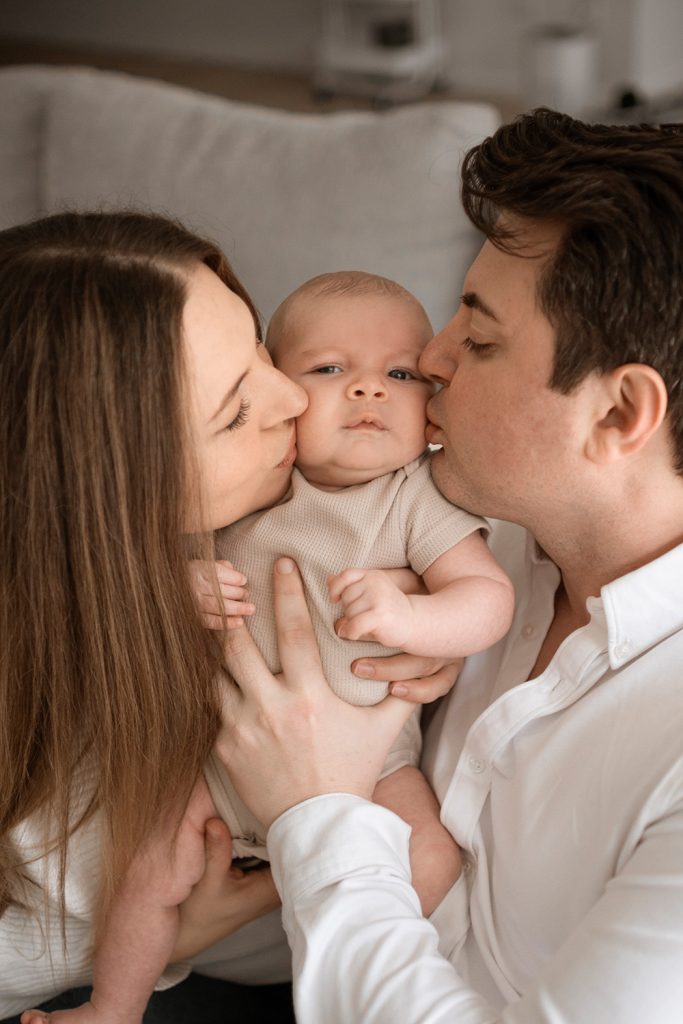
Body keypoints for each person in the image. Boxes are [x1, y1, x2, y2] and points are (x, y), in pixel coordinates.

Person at [213, 109, 683, 1022]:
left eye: (480, 338)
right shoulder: (463, 541)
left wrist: (317, 809)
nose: (428, 360)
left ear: (619, 413)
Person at [22, 270, 513, 1023]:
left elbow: (487, 599)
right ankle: (111, 1009)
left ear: (433, 410)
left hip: (370, 766)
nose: (368, 389)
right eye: (329, 368)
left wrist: (417, 620)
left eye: (400, 374)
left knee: (432, 858)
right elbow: (135, 569)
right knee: (148, 872)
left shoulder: (417, 497)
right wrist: (180, 586)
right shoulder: (245, 482)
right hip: (210, 754)